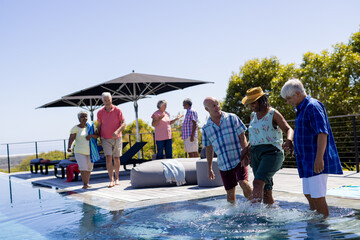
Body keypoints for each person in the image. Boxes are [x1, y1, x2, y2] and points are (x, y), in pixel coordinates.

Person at [281, 78, 343, 218]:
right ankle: (316, 222)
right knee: (309, 194)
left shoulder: (313, 106)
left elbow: (322, 133)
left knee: (318, 196)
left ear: (297, 93)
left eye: (289, 98)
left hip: (315, 159)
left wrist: (319, 158)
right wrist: (291, 143)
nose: (288, 102)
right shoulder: (301, 109)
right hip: (306, 160)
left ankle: (323, 230)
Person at [241, 87, 294, 204]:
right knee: (266, 191)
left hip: (271, 153)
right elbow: (256, 136)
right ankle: (271, 216)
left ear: (261, 100)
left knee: (257, 183)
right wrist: (246, 149)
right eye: (250, 103)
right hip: (255, 154)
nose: (251, 106)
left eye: (253, 102)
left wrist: (289, 140)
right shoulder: (253, 116)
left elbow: (289, 129)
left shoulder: (273, 113)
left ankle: (254, 215)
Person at [202, 97, 252, 203]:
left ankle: (255, 206)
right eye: (213, 106)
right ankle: (232, 215)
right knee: (230, 192)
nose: (217, 107)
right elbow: (209, 149)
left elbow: (242, 136)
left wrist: (246, 153)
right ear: (207, 109)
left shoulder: (232, 118)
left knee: (243, 182)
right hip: (223, 163)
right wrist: (209, 167)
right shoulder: (206, 128)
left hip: (239, 158)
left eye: (217, 104)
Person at [97, 92, 126, 188]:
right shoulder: (100, 112)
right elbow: (99, 126)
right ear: (102, 101)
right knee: (108, 158)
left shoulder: (118, 110)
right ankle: (111, 180)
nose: (107, 102)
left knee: (116, 158)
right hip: (105, 138)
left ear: (111, 99)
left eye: (108, 100)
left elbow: (124, 123)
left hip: (117, 138)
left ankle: (117, 178)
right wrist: (99, 137)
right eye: (105, 100)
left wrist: (117, 131)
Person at [67, 111, 98, 189]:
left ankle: (87, 183)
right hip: (79, 152)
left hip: (91, 151)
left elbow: (97, 136)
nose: (85, 118)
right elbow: (71, 138)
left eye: (86, 116)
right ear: (79, 118)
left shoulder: (91, 126)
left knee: (89, 168)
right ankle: (85, 184)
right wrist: (69, 147)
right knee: (83, 167)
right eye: (82, 117)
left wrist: (90, 135)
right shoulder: (75, 128)